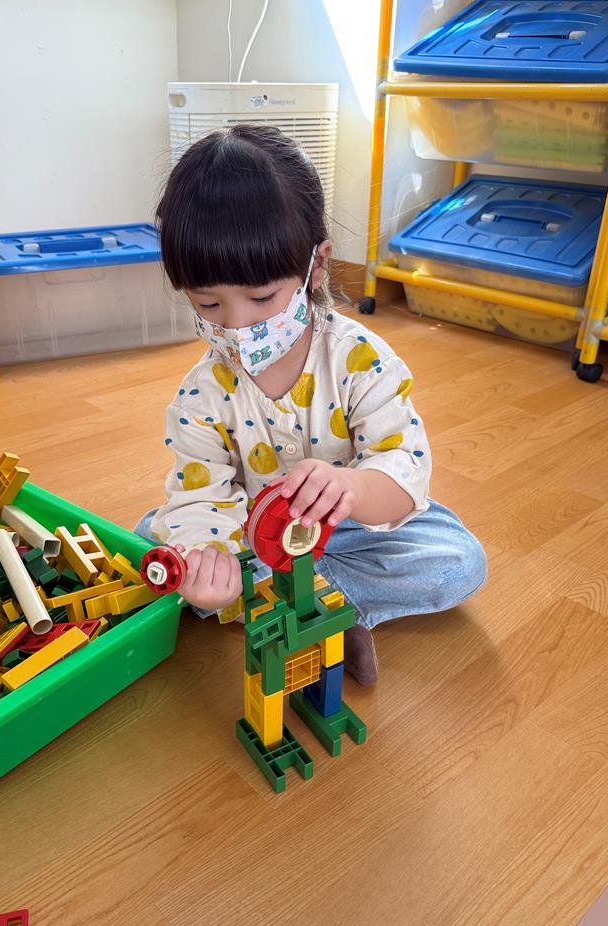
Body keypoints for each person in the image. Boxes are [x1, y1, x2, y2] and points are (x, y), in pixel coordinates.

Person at [135, 124, 486, 684]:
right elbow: (202, 497)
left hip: (347, 527)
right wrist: (206, 559)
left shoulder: (360, 361)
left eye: (262, 297)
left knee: (457, 562)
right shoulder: (201, 395)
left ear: (316, 266)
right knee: (154, 547)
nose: (237, 325)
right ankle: (320, 609)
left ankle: (311, 606)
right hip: (251, 532)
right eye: (208, 303)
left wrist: (351, 488)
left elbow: (403, 471)